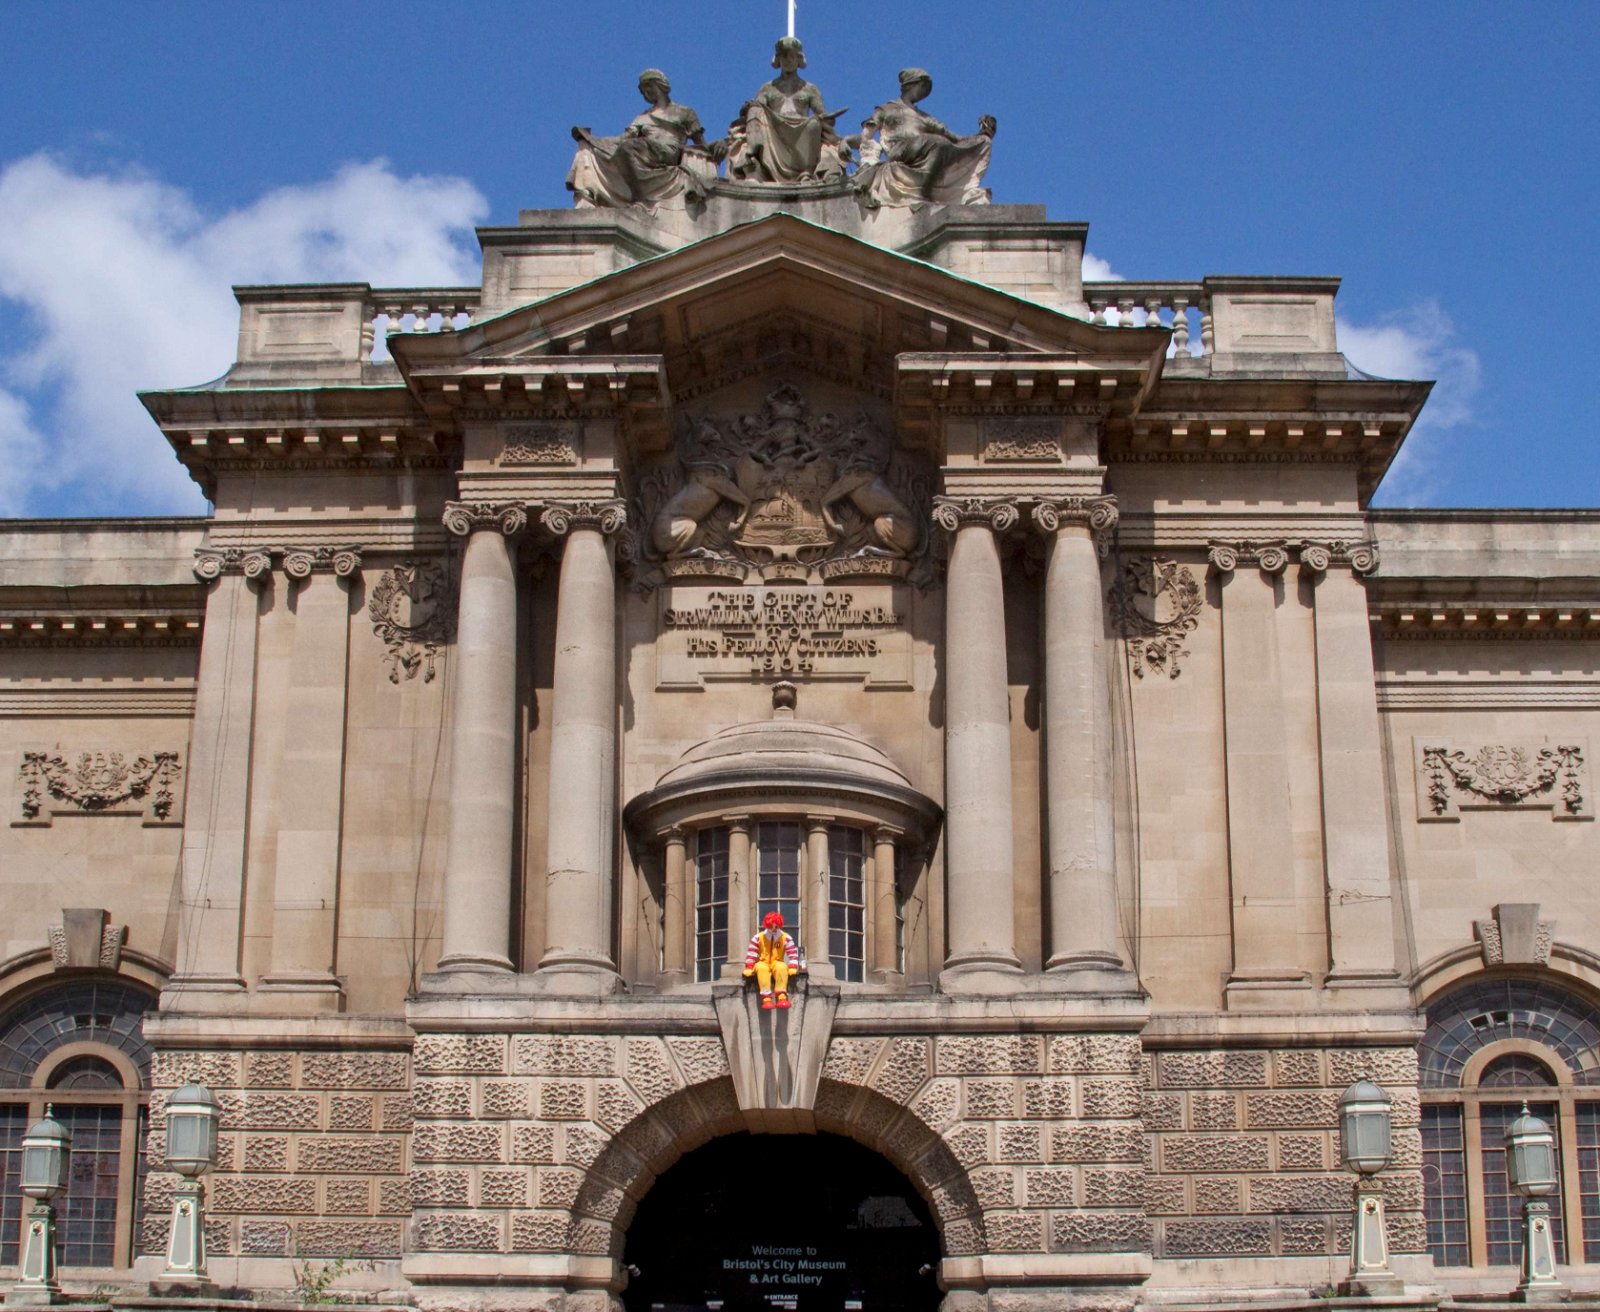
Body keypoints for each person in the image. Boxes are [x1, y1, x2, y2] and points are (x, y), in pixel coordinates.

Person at [567, 70, 716, 211]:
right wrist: (594, 140)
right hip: (642, 151)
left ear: (660, 85)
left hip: (668, 151)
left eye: (649, 86)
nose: (647, 92)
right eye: (644, 89)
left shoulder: (684, 112)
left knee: (629, 147)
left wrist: (715, 151)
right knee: (591, 147)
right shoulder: (642, 117)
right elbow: (622, 139)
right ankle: (587, 195)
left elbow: (699, 141)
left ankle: (641, 196)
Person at [855, 68, 995, 209]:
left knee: (959, 143)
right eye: (922, 88)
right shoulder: (886, 109)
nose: (923, 93)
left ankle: (926, 188)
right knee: (936, 142)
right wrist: (850, 143)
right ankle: (923, 190)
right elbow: (867, 133)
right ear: (912, 85)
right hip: (899, 150)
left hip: (924, 148)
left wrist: (982, 136)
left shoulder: (924, 117)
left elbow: (955, 140)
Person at [728, 37, 848, 184]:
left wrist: (826, 118)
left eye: (792, 56)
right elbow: (757, 108)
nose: (788, 60)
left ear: (799, 59)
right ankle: (752, 163)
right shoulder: (768, 88)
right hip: (775, 130)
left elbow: (825, 117)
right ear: (778, 59)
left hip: (801, 130)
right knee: (755, 110)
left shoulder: (810, 89)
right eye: (784, 56)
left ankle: (805, 172)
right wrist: (749, 107)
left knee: (814, 124)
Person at [743, 911, 800, 1010]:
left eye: (776, 927)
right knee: (761, 968)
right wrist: (749, 967)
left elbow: (793, 953)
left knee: (782, 967)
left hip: (777, 961)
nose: (773, 929)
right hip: (763, 962)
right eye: (771, 927)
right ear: (766, 925)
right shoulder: (758, 938)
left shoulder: (785, 938)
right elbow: (751, 953)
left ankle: (781, 996)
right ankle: (766, 998)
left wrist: (792, 966)